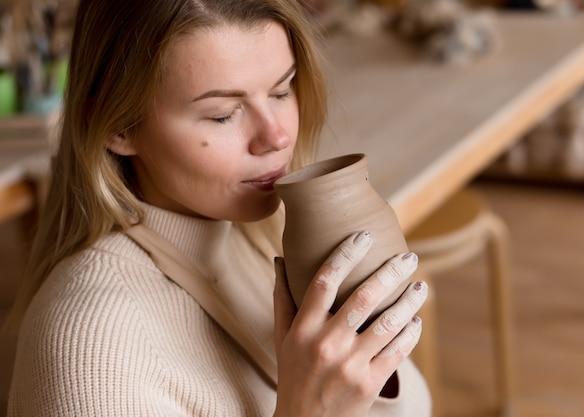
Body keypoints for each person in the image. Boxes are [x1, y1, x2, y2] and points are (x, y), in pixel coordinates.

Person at [6, 0, 431, 416]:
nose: (278, 137)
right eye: (223, 115)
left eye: (282, 90)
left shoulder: (259, 233)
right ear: (118, 124)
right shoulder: (90, 351)